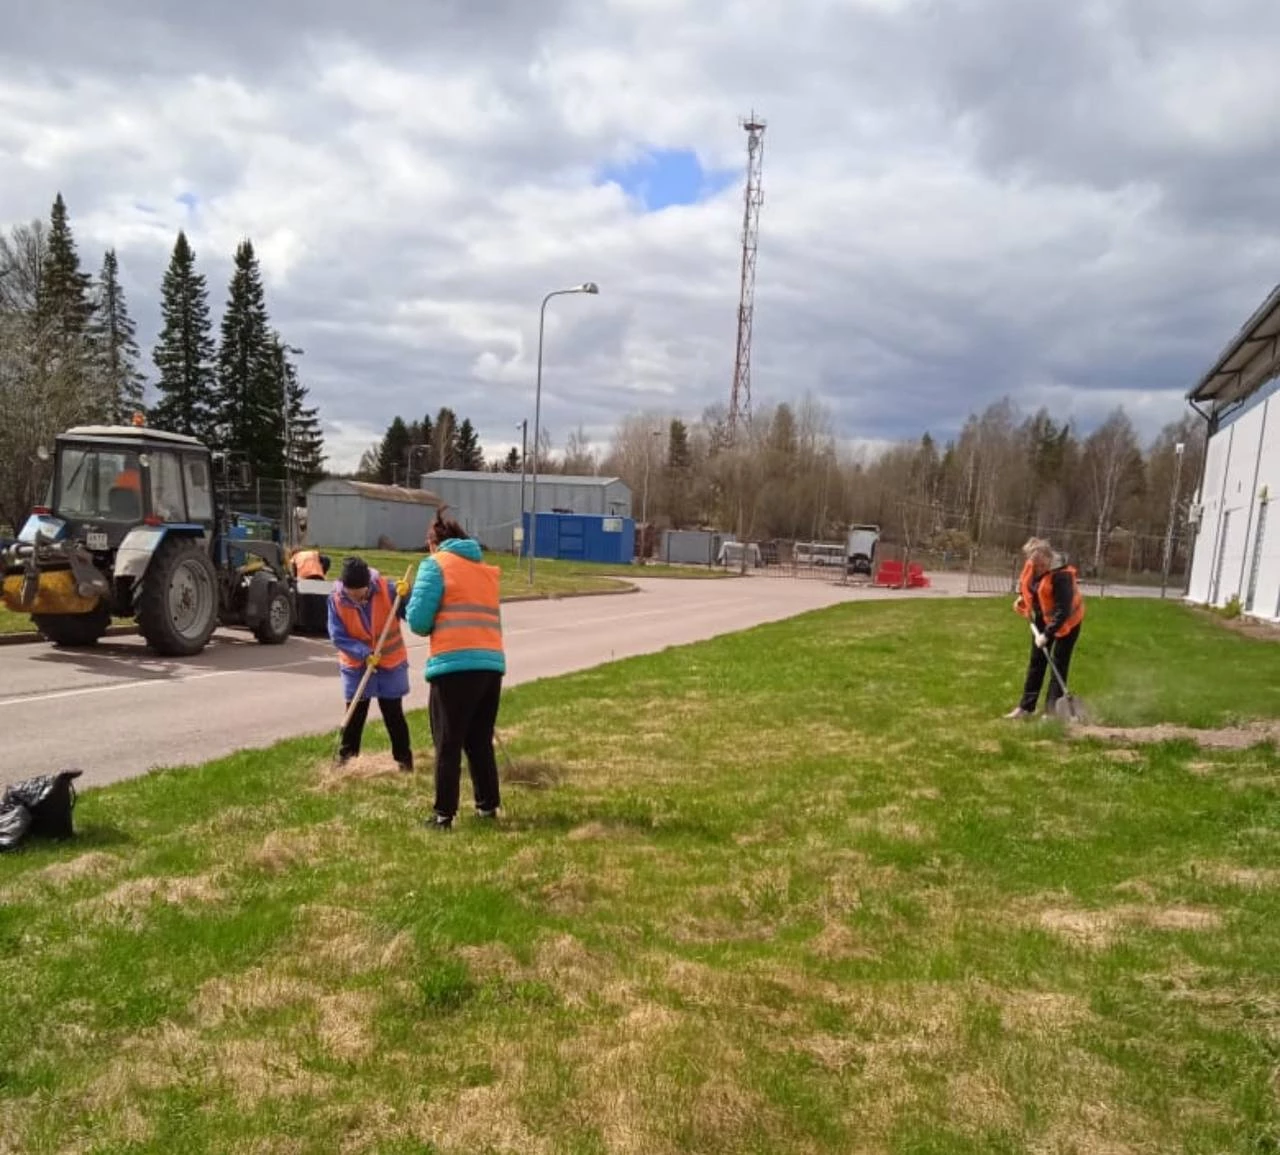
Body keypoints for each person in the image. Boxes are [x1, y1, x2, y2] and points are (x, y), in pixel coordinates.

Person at [406, 512, 506, 830]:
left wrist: (408, 599)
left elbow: (420, 622)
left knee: (448, 743)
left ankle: (443, 814)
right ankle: (487, 806)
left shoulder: (435, 566)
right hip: (490, 665)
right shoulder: (484, 570)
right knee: (479, 740)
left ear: (435, 543)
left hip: (454, 666)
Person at [327, 556, 414, 770]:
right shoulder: (336, 599)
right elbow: (337, 635)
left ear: (369, 585)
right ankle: (346, 760)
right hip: (357, 665)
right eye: (352, 594)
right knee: (355, 713)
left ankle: (404, 761)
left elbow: (410, 615)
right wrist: (363, 653)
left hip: (390, 663)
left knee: (393, 714)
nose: (357, 598)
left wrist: (406, 597)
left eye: (361, 593)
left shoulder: (388, 590)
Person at [1005, 539, 1085, 720]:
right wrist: (1023, 599)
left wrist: (1047, 635)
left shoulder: (1061, 576)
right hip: (1044, 616)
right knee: (1036, 662)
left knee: (1058, 664)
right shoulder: (1032, 565)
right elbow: (1030, 587)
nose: (1038, 568)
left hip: (1068, 621)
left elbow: (1062, 610)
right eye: (1035, 564)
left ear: (1050, 558)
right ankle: (1026, 707)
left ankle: (1052, 712)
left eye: (1042, 564)